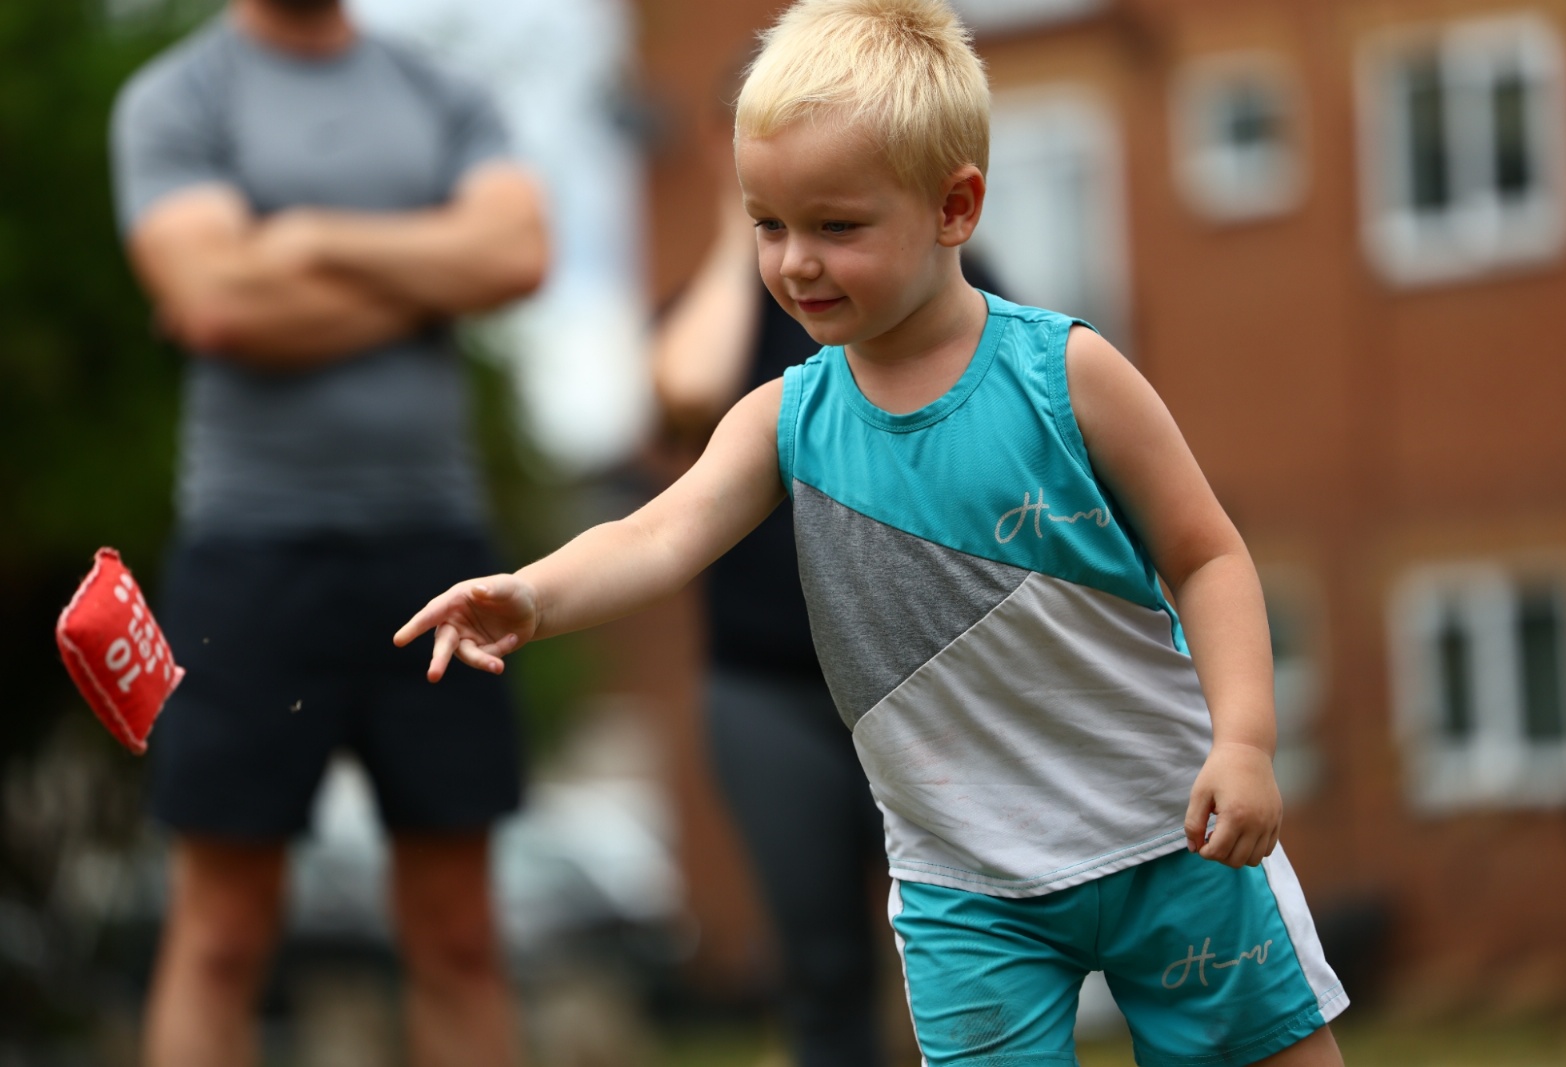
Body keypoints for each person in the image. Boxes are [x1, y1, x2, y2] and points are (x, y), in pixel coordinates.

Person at [396, 1, 1348, 1063]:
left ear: (954, 207)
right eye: (769, 225)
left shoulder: (1068, 374)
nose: (796, 262)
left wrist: (1244, 742)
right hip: (968, 892)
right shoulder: (783, 418)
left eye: (836, 227)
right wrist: (532, 592)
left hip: (1169, 834)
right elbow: (656, 535)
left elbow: (1206, 555)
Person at [110, 0, 547, 1063]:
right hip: (245, 555)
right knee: (219, 935)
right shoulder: (177, 97)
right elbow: (217, 304)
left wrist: (307, 239)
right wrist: (430, 282)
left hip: (437, 550)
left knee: (461, 934)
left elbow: (520, 252)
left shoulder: (439, 90)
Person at [653, 94, 1008, 1066]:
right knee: (821, 968)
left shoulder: (930, 286)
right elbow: (685, 390)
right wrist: (747, 234)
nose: (802, 255)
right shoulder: (746, 302)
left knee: (971, 951)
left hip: (926, 680)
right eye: (767, 215)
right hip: (768, 687)